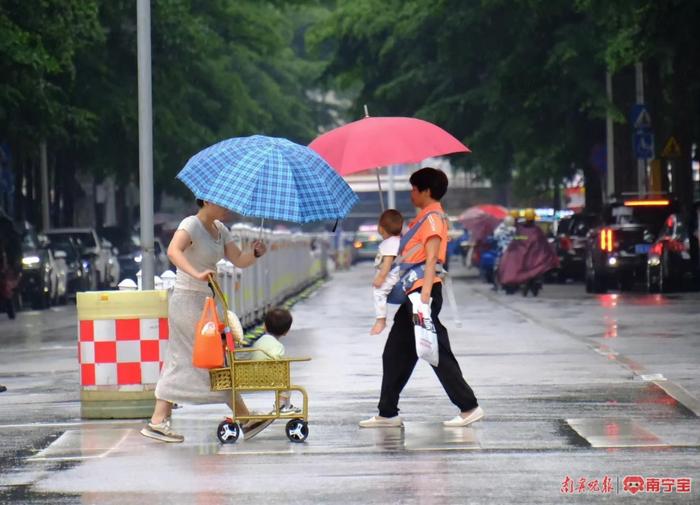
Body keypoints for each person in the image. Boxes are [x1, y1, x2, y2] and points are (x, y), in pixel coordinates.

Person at [359, 167, 483, 428]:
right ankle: (387, 413)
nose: (411, 194)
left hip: (421, 292)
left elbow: (431, 259)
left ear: (426, 191)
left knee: (436, 351)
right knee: (395, 353)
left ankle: (468, 406)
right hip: (412, 292)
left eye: (414, 189)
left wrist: (424, 296)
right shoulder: (422, 220)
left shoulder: (433, 220)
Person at [141, 199, 267, 443]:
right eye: (223, 203)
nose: (228, 208)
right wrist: (196, 273)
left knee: (213, 357)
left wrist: (255, 253)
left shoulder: (220, 229)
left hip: (208, 302)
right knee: (196, 357)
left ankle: (160, 420)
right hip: (188, 300)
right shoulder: (191, 224)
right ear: (207, 201)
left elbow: (239, 260)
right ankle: (158, 421)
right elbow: (172, 251)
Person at [249, 307, 301, 414]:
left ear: (265, 327)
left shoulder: (259, 342)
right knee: (285, 379)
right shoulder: (277, 346)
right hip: (268, 376)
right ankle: (282, 404)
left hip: (251, 375)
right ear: (286, 332)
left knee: (282, 378)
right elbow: (276, 359)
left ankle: (284, 405)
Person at [370, 209, 403, 335]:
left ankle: (381, 320)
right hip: (394, 274)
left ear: (382, 228)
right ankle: (381, 320)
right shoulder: (396, 240)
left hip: (391, 276)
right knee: (379, 292)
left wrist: (380, 278)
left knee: (379, 292)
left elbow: (388, 264)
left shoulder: (390, 243)